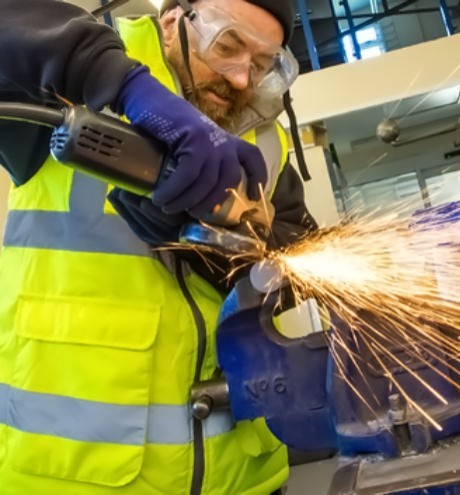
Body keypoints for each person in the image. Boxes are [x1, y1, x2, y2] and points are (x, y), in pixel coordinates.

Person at [0, 0, 317, 493]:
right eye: (228, 46)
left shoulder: (265, 143)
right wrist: (122, 84)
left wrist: (210, 244)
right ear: (173, 23)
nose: (239, 78)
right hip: (74, 476)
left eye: (259, 64)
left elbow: (300, 262)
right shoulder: (70, 84)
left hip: (242, 476)